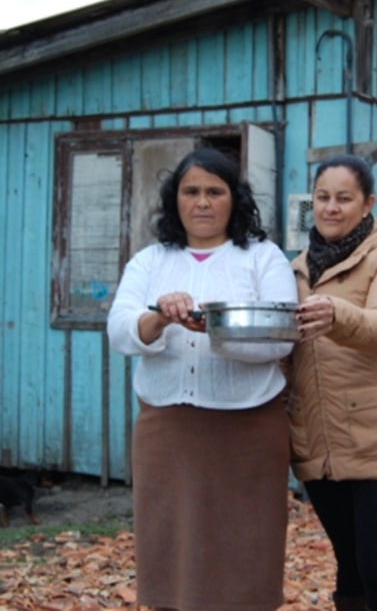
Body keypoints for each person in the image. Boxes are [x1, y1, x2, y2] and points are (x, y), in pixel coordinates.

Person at [107, 147, 297, 611]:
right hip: (168, 430)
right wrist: (160, 320)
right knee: (170, 542)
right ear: (176, 200)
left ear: (236, 200)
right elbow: (119, 330)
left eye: (216, 191)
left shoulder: (262, 257)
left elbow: (281, 340)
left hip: (248, 428)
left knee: (246, 546)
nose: (203, 202)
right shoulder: (150, 261)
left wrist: (213, 329)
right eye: (191, 191)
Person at [284, 153, 377, 611]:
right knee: (348, 562)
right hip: (319, 438)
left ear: (367, 204)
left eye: (344, 198)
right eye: (323, 197)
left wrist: (336, 313)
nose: (331, 207)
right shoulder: (297, 267)